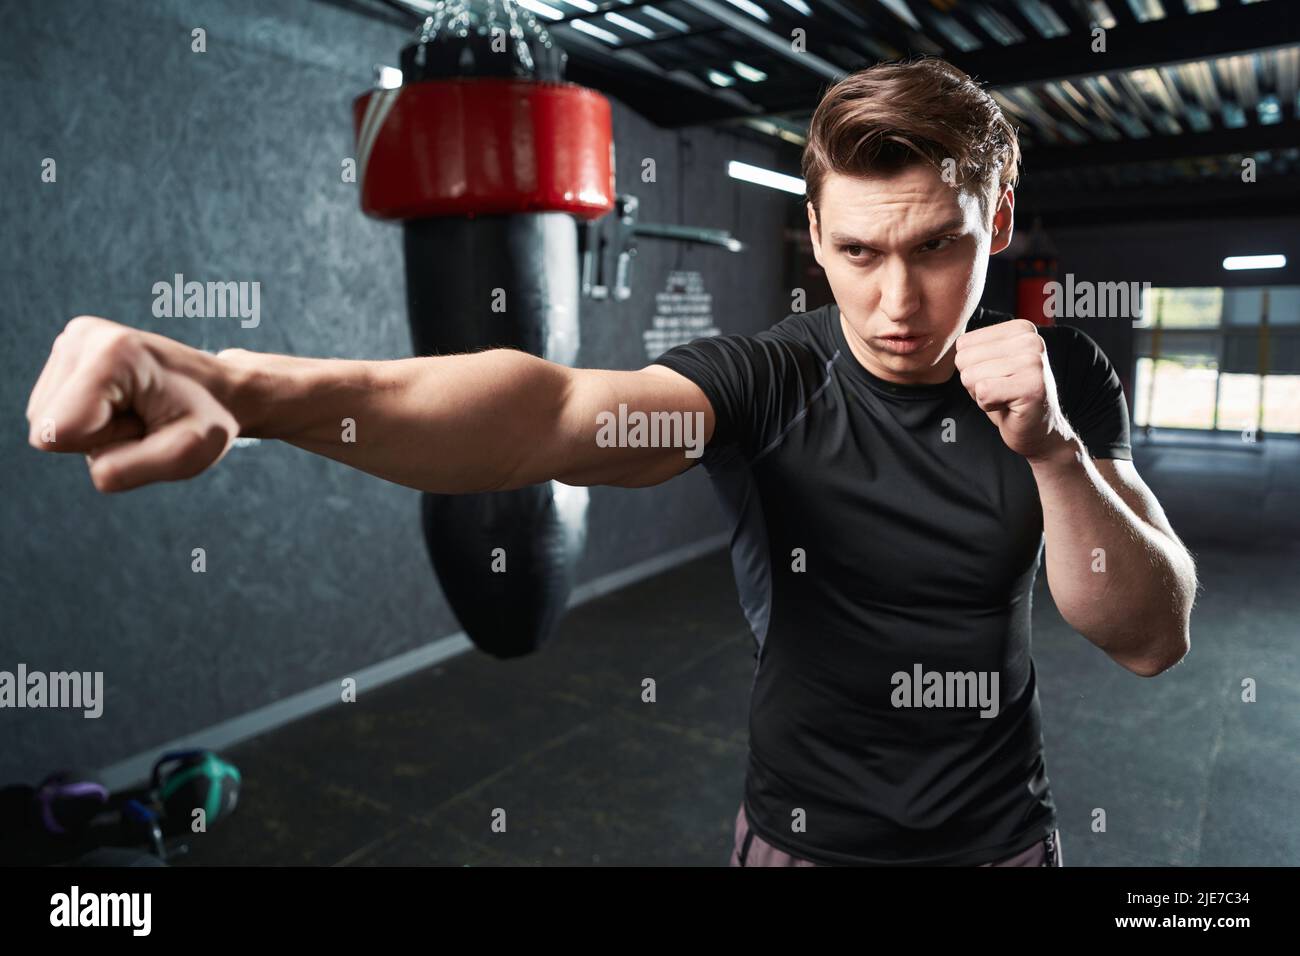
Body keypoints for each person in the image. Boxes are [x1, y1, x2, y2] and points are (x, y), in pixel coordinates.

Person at [23, 57, 1196, 867]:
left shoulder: (1064, 374)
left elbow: (1145, 630)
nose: (896, 300)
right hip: (802, 835)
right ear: (816, 233)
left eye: (937, 245)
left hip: (1001, 836)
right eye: (858, 250)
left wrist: (1046, 445)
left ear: (995, 219)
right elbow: (549, 411)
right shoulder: (771, 378)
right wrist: (248, 388)